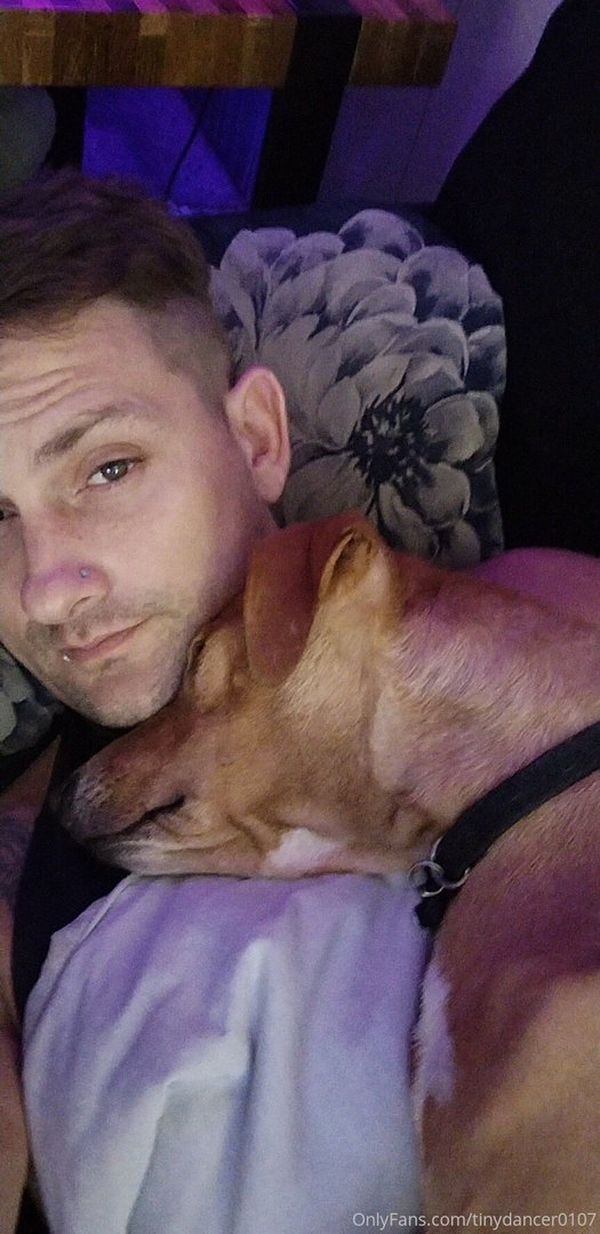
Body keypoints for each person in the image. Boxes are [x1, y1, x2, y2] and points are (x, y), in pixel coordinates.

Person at [0, 170, 598, 1234]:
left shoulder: (537, 606)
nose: (46, 586)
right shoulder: (18, 860)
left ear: (259, 439)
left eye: (108, 468)